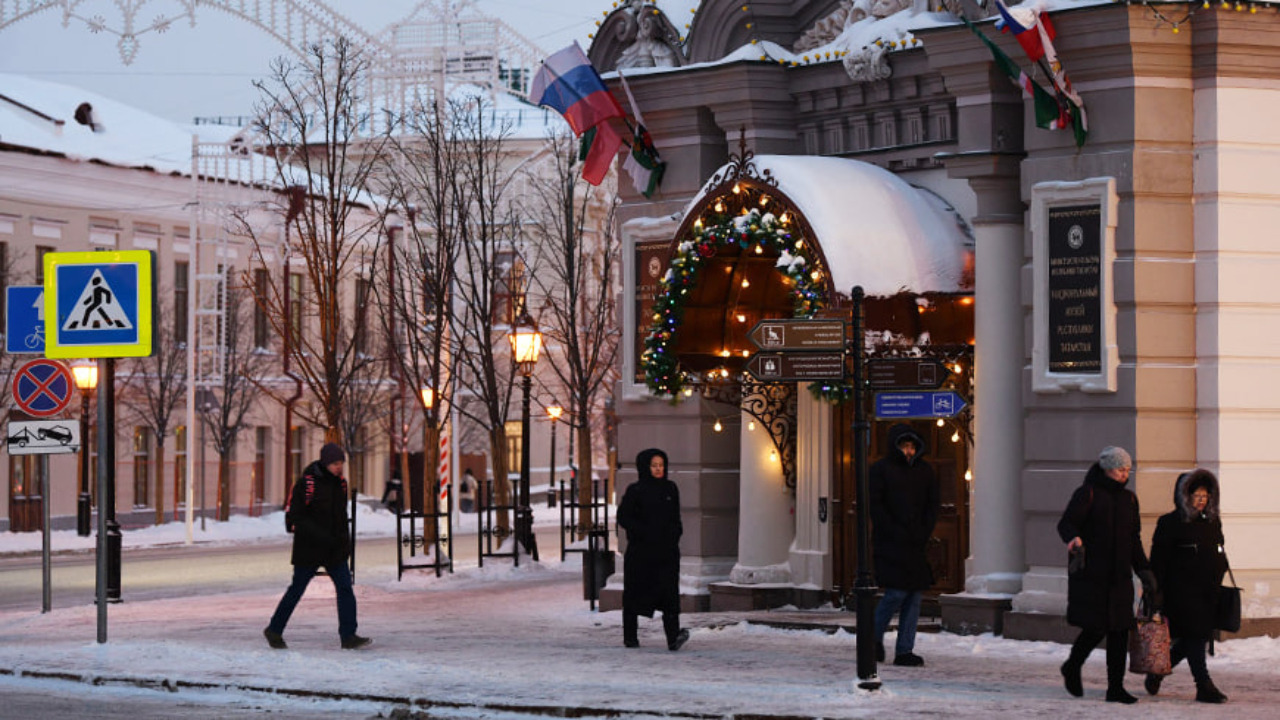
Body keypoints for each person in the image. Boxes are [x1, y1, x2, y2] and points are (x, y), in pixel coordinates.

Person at [1057, 446, 1157, 703]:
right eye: (1120, 469)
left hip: (1120, 577)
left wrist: (1144, 570)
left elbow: (1133, 539)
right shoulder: (1087, 494)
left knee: (1120, 632)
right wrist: (1074, 539)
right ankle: (1072, 665)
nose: (1125, 474)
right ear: (1107, 469)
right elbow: (1066, 523)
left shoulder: (1129, 499)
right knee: (1095, 628)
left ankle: (1115, 688)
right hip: (1092, 575)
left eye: (1127, 469)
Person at [264, 442, 371, 650]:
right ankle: (274, 629)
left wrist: (343, 543)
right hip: (309, 549)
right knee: (297, 590)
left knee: (345, 589)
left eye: (341, 463)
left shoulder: (340, 484)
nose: (339, 467)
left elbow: (341, 517)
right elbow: (296, 516)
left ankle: (349, 635)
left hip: (334, 550)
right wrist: (321, 535)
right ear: (325, 462)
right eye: (335, 463)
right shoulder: (308, 483)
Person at [1145, 469, 1229, 703]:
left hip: (1208, 592)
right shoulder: (1170, 523)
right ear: (1185, 496)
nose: (1202, 501)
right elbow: (1158, 561)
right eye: (1197, 495)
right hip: (1180, 593)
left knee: (1193, 638)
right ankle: (1203, 684)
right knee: (1195, 637)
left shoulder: (1212, 523)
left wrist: (1218, 575)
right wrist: (1155, 593)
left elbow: (1219, 551)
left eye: (1206, 496)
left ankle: (1158, 671)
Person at [869, 423, 940, 667]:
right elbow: (876, 506)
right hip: (890, 543)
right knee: (896, 593)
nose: (908, 451)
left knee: (914, 596)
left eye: (911, 446)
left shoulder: (925, 471)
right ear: (895, 447)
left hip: (915, 543)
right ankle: (873, 640)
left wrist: (923, 531)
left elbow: (932, 505)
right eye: (904, 446)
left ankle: (904, 650)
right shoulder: (881, 470)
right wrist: (894, 530)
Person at [617, 448, 688, 651]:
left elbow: (675, 517)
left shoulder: (670, 489)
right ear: (645, 467)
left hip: (666, 553)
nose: (658, 469)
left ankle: (673, 637)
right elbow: (624, 517)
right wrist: (643, 532)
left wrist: (675, 534)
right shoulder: (635, 491)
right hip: (641, 554)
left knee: (669, 595)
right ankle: (630, 637)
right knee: (634, 595)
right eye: (654, 466)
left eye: (661, 465)